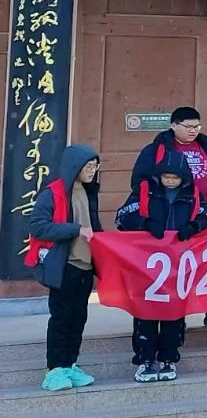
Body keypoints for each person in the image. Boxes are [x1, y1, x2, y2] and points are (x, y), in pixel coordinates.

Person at [116, 151, 207, 383]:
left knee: (174, 316)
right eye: (166, 177)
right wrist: (144, 223)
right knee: (145, 314)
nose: (170, 181)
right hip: (146, 266)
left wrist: (194, 227)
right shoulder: (144, 192)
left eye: (175, 177)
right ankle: (145, 360)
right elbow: (121, 217)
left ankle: (169, 358)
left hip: (179, 267)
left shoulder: (193, 196)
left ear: (183, 178)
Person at [129, 106, 207, 328]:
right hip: (172, 216)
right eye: (188, 126)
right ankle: (171, 314)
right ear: (173, 125)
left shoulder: (206, 147)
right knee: (173, 270)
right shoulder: (156, 150)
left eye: (197, 126)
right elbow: (139, 182)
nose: (193, 131)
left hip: (204, 216)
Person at [28, 144, 100, 392]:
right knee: (61, 319)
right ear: (74, 167)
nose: (92, 171)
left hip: (85, 267)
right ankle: (54, 370)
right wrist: (75, 229)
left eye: (95, 166)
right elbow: (38, 226)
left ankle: (70, 365)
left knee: (78, 319)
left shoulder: (89, 191)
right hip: (64, 266)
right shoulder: (53, 193)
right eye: (88, 166)